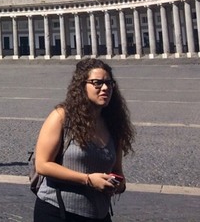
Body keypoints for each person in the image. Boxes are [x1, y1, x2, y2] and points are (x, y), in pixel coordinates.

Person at [32, 58, 133, 222]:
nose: (105, 88)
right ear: (82, 86)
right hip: (59, 211)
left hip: (99, 214)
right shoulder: (61, 117)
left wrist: (118, 185)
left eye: (109, 83)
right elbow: (42, 165)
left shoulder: (114, 125)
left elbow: (117, 170)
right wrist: (87, 180)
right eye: (97, 83)